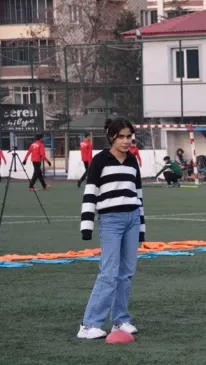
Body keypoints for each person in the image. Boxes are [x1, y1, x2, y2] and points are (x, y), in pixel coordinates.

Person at [76, 117, 145, 340]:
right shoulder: (100, 160)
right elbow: (91, 193)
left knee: (126, 273)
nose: (126, 141)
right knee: (109, 273)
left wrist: (141, 226)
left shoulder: (133, 160)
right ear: (111, 137)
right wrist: (86, 224)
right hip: (110, 221)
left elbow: (139, 195)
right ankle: (89, 324)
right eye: (121, 137)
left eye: (129, 137)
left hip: (132, 218)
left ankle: (120, 320)